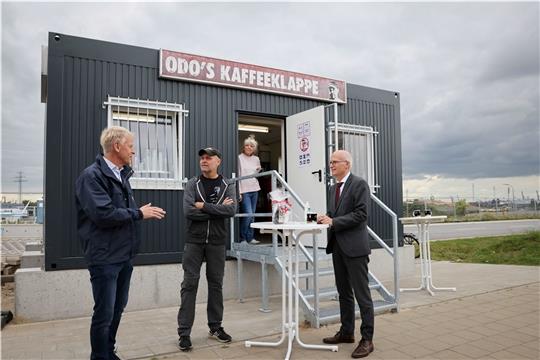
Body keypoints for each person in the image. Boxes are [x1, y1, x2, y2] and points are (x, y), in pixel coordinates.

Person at [75, 126, 166, 360]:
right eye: (131, 146)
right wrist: (138, 213)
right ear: (117, 146)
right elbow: (103, 214)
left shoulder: (121, 174)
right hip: (104, 257)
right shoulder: (91, 176)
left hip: (123, 255)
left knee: (117, 309)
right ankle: (99, 357)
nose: (133, 152)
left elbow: (118, 212)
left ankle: (108, 351)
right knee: (104, 313)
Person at [177, 146, 237, 351]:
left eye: (209, 158)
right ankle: (184, 333)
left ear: (218, 161)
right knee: (189, 285)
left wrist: (203, 206)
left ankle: (216, 327)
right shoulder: (192, 184)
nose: (204, 160)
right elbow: (188, 212)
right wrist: (216, 211)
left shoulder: (227, 184)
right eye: (202, 157)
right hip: (194, 241)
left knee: (216, 285)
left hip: (217, 242)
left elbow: (231, 210)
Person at [318, 150, 374, 358]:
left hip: (355, 248)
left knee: (362, 295)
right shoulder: (334, 188)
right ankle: (347, 332)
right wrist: (324, 217)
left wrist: (334, 221)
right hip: (338, 247)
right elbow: (335, 214)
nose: (331, 165)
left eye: (335, 162)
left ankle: (367, 339)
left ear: (347, 164)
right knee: (343, 293)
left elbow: (361, 214)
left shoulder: (359, 184)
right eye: (330, 162)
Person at [237, 135, 262, 244]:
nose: (249, 147)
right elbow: (238, 174)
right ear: (244, 147)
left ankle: (250, 238)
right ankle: (242, 238)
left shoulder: (256, 159)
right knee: (248, 214)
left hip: (255, 188)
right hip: (244, 189)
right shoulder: (239, 158)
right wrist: (239, 191)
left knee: (253, 215)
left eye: (251, 146)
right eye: (247, 145)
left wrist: (258, 170)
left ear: (254, 148)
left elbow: (256, 173)